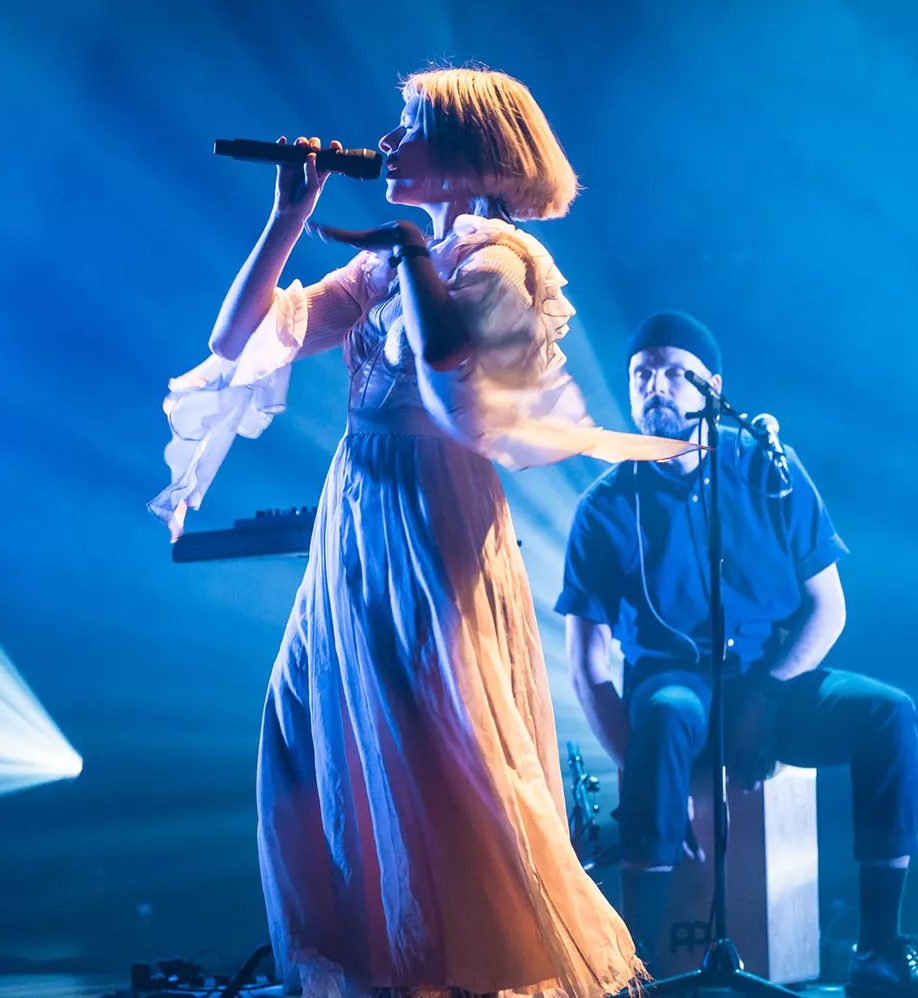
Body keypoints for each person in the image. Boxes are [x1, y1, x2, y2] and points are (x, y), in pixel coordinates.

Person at [150, 69, 693, 998]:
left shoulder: (498, 260)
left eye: (413, 126)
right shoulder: (389, 261)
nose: (389, 141)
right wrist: (288, 215)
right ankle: (372, 960)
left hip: (430, 515)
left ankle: (459, 967)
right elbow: (238, 339)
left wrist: (408, 255)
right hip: (356, 516)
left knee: (433, 747)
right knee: (308, 727)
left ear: (472, 154)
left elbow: (454, 382)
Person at [556, 312, 918, 996]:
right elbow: (587, 667)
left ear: (712, 387)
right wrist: (645, 775)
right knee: (670, 713)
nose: (655, 386)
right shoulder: (606, 505)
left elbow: (829, 607)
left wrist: (765, 697)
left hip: (772, 681)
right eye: (641, 374)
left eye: (674, 373)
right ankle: (634, 972)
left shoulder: (768, 467)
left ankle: (879, 951)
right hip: (672, 685)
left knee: (889, 714)